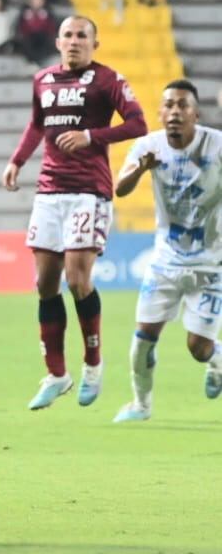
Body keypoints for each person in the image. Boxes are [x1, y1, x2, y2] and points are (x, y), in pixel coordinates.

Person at [2, 16, 148, 411]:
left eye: (82, 35)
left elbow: (138, 123)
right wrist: (17, 161)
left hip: (89, 191)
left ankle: (93, 365)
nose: (74, 41)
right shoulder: (43, 80)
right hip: (49, 192)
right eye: (68, 35)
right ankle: (56, 375)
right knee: (45, 283)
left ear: (94, 43)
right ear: (57, 41)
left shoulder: (107, 80)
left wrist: (91, 136)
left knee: (78, 280)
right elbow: (37, 124)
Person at [112, 81, 221, 423]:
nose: (175, 112)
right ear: (159, 113)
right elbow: (120, 189)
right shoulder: (148, 146)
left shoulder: (216, 145)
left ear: (196, 114)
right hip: (165, 261)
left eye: (182, 105)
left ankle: (216, 361)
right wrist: (141, 168)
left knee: (198, 349)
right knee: (143, 337)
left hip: (212, 264)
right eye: (169, 105)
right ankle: (140, 405)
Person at [15, 0, 55, 66]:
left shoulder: (47, 13)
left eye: (39, 1)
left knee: (46, 40)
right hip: (29, 37)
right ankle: (32, 61)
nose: (36, 3)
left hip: (43, 37)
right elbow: (20, 27)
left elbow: (52, 27)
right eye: (34, 1)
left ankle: (41, 61)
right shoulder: (24, 13)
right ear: (29, 2)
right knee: (27, 42)